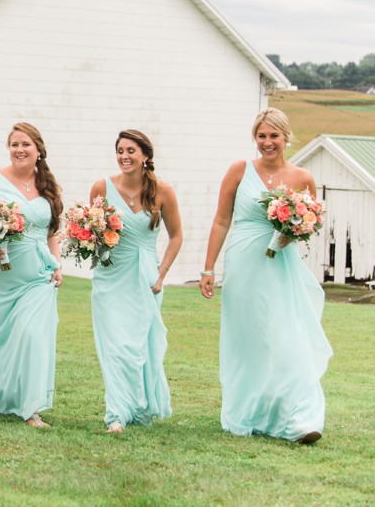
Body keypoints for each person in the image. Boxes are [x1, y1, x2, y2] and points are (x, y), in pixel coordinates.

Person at [199, 107, 333, 444]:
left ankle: (300, 420)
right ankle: (249, 411)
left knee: (287, 336)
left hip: (280, 264)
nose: (267, 142)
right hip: (243, 262)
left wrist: (294, 231)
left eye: (274, 135)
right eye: (262, 136)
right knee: (249, 340)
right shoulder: (238, 170)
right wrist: (208, 267)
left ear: (286, 137)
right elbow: (221, 220)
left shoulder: (302, 178)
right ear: (254, 138)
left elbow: (311, 223)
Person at [0, 122, 64, 428]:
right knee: (1, 338)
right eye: (14, 145)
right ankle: (3, 400)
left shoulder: (48, 185)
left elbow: (51, 233)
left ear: (39, 150)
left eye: (25, 145)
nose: (19, 150)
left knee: (33, 335)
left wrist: (57, 263)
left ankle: (30, 407)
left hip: (38, 273)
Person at [89, 129, 181, 433]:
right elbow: (92, 232)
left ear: (145, 156)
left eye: (130, 151)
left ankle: (139, 406)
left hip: (145, 275)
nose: (124, 157)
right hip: (110, 273)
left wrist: (162, 273)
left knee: (139, 345)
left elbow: (177, 236)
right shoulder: (101, 187)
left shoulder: (163, 191)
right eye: (119, 151)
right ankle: (116, 413)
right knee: (114, 345)